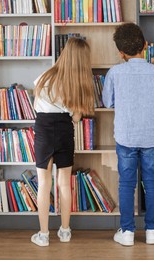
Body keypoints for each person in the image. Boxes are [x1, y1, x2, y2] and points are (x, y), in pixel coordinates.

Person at [102, 23, 154, 246]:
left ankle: (127, 232)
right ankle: (152, 230)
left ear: (120, 52)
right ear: (145, 46)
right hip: (151, 136)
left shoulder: (115, 72)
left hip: (126, 136)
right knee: (152, 182)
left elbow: (107, 101)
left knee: (126, 184)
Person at [31, 38, 95, 247]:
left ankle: (43, 235)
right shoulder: (77, 84)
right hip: (64, 131)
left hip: (43, 130)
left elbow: (35, 105)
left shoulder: (44, 77)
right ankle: (65, 231)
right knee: (64, 183)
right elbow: (76, 118)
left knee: (43, 184)